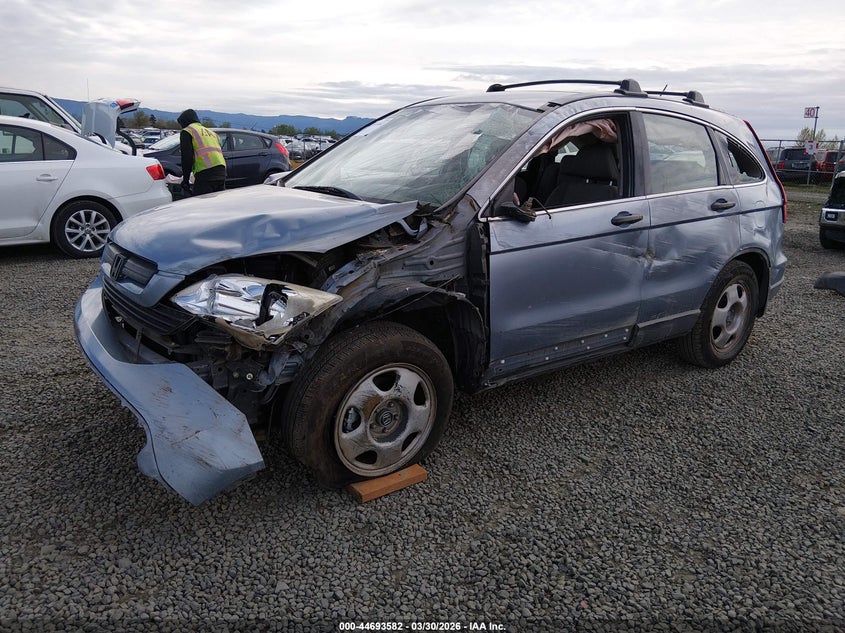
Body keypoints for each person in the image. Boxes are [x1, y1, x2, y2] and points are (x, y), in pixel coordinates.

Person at [176, 109, 226, 195]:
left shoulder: (187, 131)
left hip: (206, 171)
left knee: (201, 201)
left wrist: (186, 180)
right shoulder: (211, 133)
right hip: (221, 170)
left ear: (184, 121)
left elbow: (187, 158)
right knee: (217, 201)